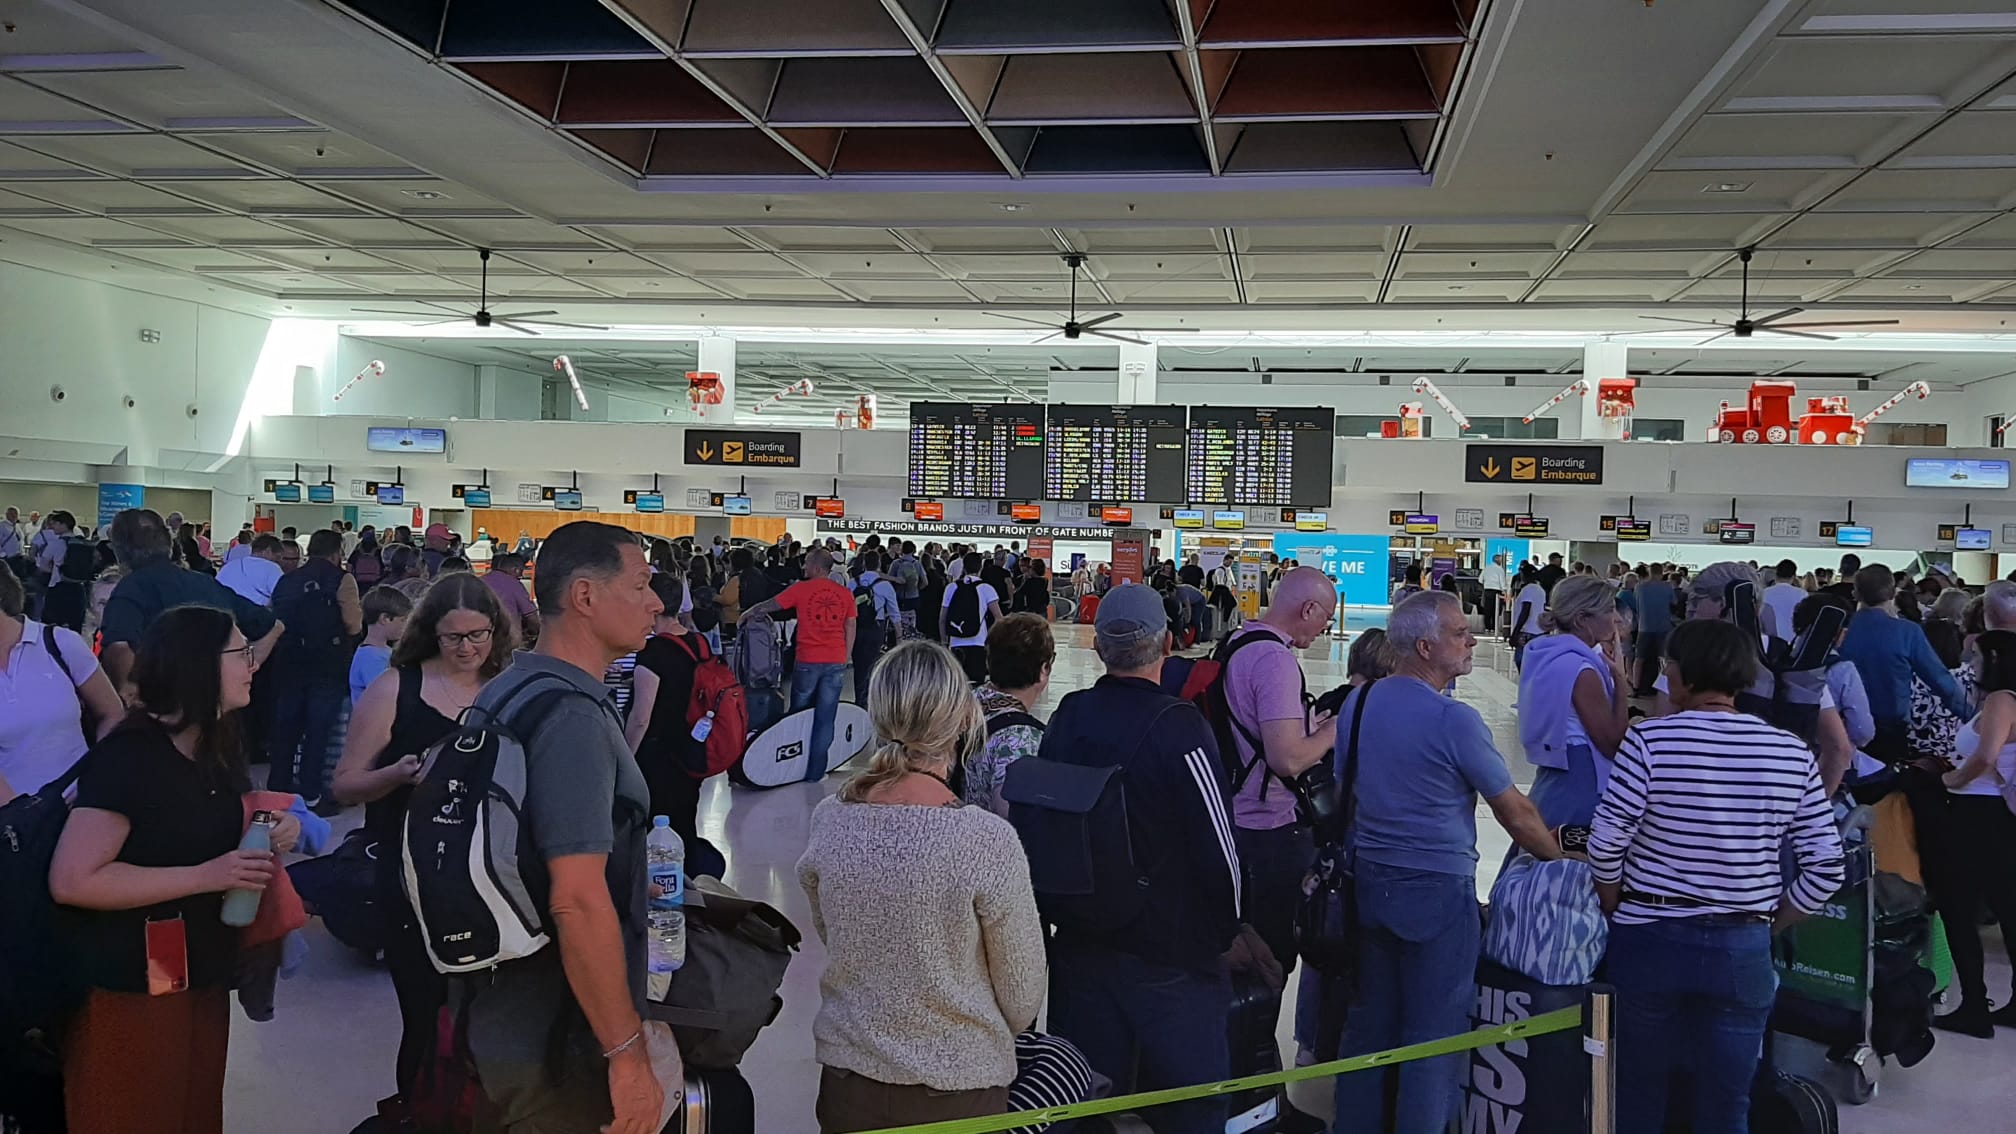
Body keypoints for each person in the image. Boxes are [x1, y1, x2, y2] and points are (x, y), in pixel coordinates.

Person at [49, 604, 302, 1134]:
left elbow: (193, 827)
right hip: (133, 968)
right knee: (138, 1103)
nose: (253, 664)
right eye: (241, 652)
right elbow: (74, 879)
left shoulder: (216, 743)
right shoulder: (130, 758)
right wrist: (207, 875)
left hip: (194, 961)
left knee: (189, 1102)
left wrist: (271, 827)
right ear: (198, 665)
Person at [1589, 618, 1847, 1131]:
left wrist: (1616, 902)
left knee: (1639, 1088)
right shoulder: (1789, 752)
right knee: (1728, 1100)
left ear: (1681, 676)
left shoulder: (1649, 743)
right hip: (1742, 945)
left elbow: (1605, 842)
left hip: (1650, 938)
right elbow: (1825, 867)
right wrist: (1767, 924)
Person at [452, 522, 666, 1132]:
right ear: (584, 596)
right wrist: (626, 1056)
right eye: (641, 584)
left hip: (495, 997)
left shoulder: (510, 687)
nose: (656, 602)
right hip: (556, 1029)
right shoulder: (571, 717)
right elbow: (574, 899)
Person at [1333, 591, 1560, 1132]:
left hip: (1369, 885)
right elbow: (1516, 814)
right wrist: (1562, 857)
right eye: (1460, 633)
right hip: (1436, 893)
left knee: (1369, 1029)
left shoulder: (1357, 706)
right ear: (1425, 646)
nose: (1471, 640)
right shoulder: (1452, 720)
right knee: (1433, 1040)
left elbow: (1348, 789)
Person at [797, 640, 1046, 1133]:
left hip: (849, 1086)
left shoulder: (830, 821)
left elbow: (836, 934)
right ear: (961, 720)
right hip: (958, 1096)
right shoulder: (985, 840)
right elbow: (1022, 998)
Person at [1037, 583, 1243, 1134]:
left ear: (1099, 648)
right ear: (1169, 643)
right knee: (1193, 1105)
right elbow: (1220, 848)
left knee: (1082, 1101)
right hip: (1169, 953)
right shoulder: (1180, 727)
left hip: (1081, 944)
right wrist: (1226, 935)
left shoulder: (1068, 717)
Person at [332, 572, 507, 1102]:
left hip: (492, 881)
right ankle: (419, 1111)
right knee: (427, 1017)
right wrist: (395, 776)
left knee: (492, 1023)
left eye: (479, 635)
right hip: (411, 879)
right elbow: (344, 785)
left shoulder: (504, 688)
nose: (468, 648)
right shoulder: (396, 688)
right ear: (430, 632)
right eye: (455, 637)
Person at [1217, 567, 1339, 1018]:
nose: (1325, 626)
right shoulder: (1275, 660)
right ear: (1308, 609)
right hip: (1267, 832)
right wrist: (1331, 732)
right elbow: (1287, 759)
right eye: (1324, 616)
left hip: (1232, 820)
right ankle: (1255, 1070)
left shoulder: (1237, 642)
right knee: (1268, 963)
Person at [1925, 628, 2016, 1035]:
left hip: (1975, 813)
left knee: (1957, 908)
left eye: (1977, 656)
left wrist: (1951, 781)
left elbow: (1986, 755)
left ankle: (1974, 1005)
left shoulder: (2000, 700)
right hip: (1998, 815)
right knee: (2007, 907)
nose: (1971, 662)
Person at [97, 509, 281, 692]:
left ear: (118, 549)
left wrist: (131, 696)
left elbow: (119, 647)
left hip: (164, 701)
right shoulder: (206, 583)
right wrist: (247, 668)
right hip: (214, 703)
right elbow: (274, 627)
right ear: (169, 543)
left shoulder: (130, 589)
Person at [1516, 575, 1632, 829]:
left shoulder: (1546, 654)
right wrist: (1620, 682)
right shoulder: (1582, 670)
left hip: (1554, 770)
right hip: (1581, 774)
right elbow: (1612, 743)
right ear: (1582, 619)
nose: (1615, 618)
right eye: (1609, 609)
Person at [0, 567, 123, 798]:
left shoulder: (59, 643)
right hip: (15, 823)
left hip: (82, 806)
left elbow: (112, 713)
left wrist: (96, 777)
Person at [265, 530, 363, 810]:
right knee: (318, 730)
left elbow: (273, 617)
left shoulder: (287, 580)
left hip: (288, 661)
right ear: (337, 553)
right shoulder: (341, 579)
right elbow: (353, 624)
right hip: (327, 664)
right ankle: (311, 794)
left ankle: (278, 789)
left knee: (286, 730)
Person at [740, 546, 855, 779]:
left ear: (815, 566)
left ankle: (793, 767)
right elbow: (850, 626)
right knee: (826, 717)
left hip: (807, 660)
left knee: (798, 713)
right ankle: (815, 772)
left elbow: (772, 604)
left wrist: (749, 612)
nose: (803, 567)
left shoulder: (801, 589)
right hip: (835, 660)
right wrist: (846, 655)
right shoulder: (844, 594)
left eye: (806, 564)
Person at [1840, 563, 1968, 762]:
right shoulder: (1907, 632)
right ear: (1892, 593)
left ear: (1855, 593)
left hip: (1842, 729)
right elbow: (1942, 682)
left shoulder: (1839, 631)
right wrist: (1972, 718)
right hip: (1891, 731)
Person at [623, 574, 711, 847]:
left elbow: (641, 718)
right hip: (694, 748)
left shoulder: (653, 651)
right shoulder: (698, 642)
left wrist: (624, 758)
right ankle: (690, 880)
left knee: (655, 832)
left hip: (660, 755)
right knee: (684, 825)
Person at [964, 612, 1053, 816]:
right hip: (986, 844)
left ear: (989, 662)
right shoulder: (1021, 737)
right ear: (1044, 669)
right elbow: (1012, 814)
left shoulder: (960, 705)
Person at [941, 551, 1006, 685]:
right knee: (976, 685)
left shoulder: (951, 587)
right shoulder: (986, 588)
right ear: (980, 567)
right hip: (979, 643)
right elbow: (999, 618)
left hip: (955, 643)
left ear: (963, 567)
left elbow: (942, 618)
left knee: (957, 686)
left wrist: (944, 642)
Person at [850, 549, 900, 703]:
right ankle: (871, 701)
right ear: (878, 564)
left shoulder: (853, 583)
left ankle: (859, 700)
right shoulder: (885, 585)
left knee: (859, 665)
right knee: (874, 665)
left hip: (855, 627)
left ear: (864, 563)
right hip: (876, 628)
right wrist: (899, 637)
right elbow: (894, 613)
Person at [348, 585, 412, 704]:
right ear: (385, 619)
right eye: (403, 620)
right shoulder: (371, 658)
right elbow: (384, 697)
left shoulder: (381, 651)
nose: (405, 626)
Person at [1633, 565, 1676, 696]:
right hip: (1663, 626)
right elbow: (1674, 602)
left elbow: (1636, 605)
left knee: (1639, 659)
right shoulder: (1667, 587)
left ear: (1649, 572)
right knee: (1662, 659)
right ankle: (1662, 688)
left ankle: (1636, 687)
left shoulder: (1640, 587)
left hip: (1644, 627)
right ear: (1662, 572)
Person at [483, 550, 541, 646]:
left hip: (482, 639)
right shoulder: (514, 584)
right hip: (507, 641)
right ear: (516, 570)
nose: (521, 576)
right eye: (521, 572)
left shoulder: (480, 581)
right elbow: (532, 618)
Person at [216, 533, 286, 607]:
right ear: (267, 551)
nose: (280, 562)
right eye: (277, 557)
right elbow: (282, 598)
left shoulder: (229, 566)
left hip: (223, 612)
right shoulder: (272, 568)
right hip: (256, 614)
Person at [1508, 567, 1547, 669]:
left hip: (1526, 632)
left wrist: (1515, 633)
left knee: (1521, 662)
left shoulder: (1528, 590)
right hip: (1539, 631)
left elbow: (1525, 611)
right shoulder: (1540, 590)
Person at [1760, 558, 1805, 643]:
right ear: (1794, 576)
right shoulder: (1802, 594)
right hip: (1794, 642)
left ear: (1776, 575)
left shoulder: (1763, 593)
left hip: (1770, 643)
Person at [1480, 552, 1509, 636]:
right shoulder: (1500, 570)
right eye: (1500, 559)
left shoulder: (1486, 568)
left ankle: (1487, 628)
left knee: (1487, 610)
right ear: (1498, 560)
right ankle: (1494, 628)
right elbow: (1503, 583)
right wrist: (1505, 591)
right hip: (1497, 592)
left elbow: (1480, 580)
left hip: (1487, 591)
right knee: (1496, 611)